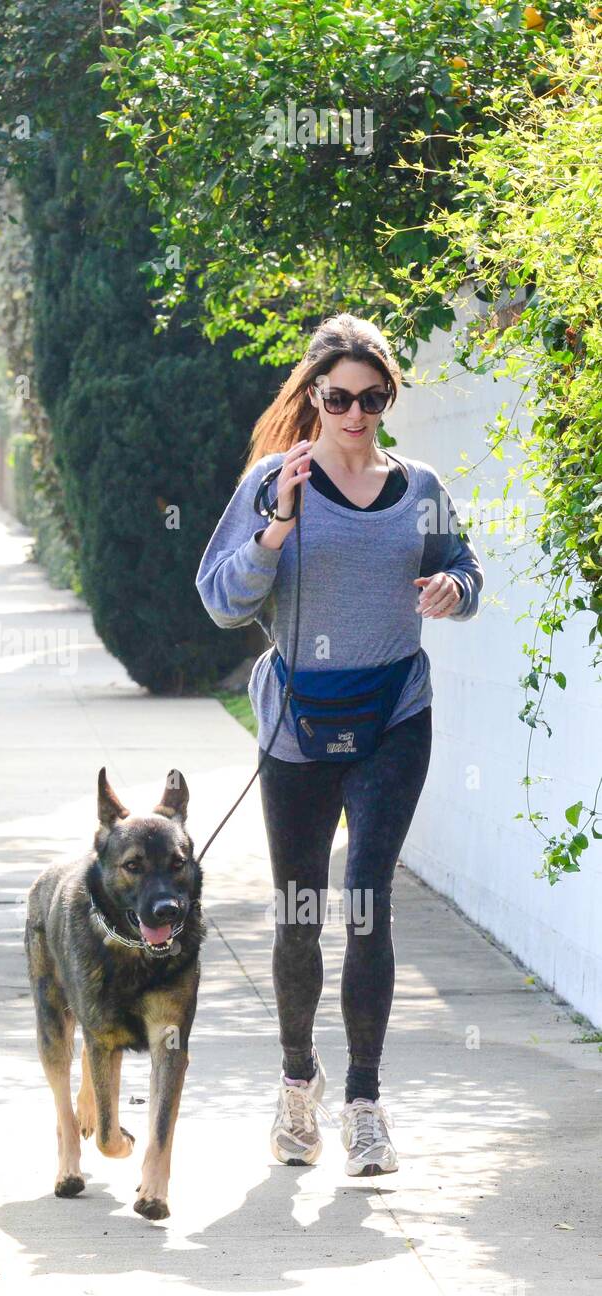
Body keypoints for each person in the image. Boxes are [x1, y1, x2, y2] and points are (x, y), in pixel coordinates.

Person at [195, 313, 484, 1177]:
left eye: (372, 398)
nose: (356, 414)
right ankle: (296, 1087)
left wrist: (450, 587)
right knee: (298, 917)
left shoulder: (420, 485)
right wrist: (276, 527)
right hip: (298, 727)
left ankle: (364, 1103)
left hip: (395, 714)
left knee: (365, 900)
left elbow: (466, 569)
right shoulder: (272, 481)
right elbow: (221, 599)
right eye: (340, 398)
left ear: (388, 397)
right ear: (314, 398)